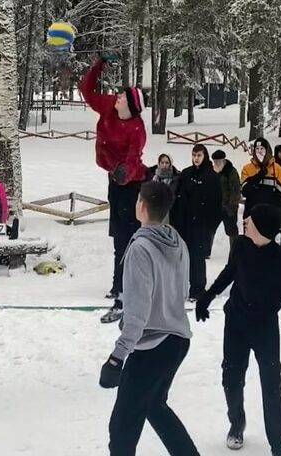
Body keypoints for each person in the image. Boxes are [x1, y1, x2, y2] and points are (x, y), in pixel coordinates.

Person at [99, 180, 200, 456]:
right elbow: (184, 290)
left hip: (152, 346)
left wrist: (117, 357)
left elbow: (137, 313)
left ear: (141, 206)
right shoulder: (177, 240)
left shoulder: (140, 249)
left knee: (122, 428)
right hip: (177, 340)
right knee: (155, 406)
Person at [195, 204, 281, 456]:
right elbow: (229, 272)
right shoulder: (241, 246)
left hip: (265, 328)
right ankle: (236, 422)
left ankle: (278, 443)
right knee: (231, 379)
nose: (245, 221)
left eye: (250, 219)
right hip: (236, 323)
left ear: (262, 227)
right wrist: (207, 296)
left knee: (271, 386)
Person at [79, 54, 148, 323]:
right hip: (115, 183)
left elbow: (134, 159)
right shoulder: (109, 106)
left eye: (121, 96)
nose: (116, 96)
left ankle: (126, 295)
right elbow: (86, 91)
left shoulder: (136, 129)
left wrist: (123, 173)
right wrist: (98, 65)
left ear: (130, 105)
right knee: (119, 240)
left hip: (131, 186)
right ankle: (119, 287)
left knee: (128, 241)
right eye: (117, 94)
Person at [174, 144, 222, 301]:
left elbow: (216, 203)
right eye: (194, 155)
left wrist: (210, 225)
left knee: (197, 257)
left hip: (201, 224)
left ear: (204, 156)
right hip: (185, 222)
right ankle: (183, 286)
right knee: (183, 256)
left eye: (199, 155)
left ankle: (198, 288)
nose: (196, 158)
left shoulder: (211, 176)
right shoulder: (186, 173)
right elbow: (178, 197)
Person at [241, 137, 281, 215]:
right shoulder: (247, 168)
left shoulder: (277, 169)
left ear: (267, 150)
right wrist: (258, 177)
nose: (259, 151)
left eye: (262, 148)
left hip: (270, 215)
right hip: (251, 214)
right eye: (257, 149)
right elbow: (244, 191)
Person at [211, 149, 241, 248]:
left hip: (228, 206)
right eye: (215, 161)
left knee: (231, 230)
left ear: (223, 160)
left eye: (218, 161)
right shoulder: (212, 171)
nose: (216, 163)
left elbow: (235, 191)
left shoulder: (231, 172)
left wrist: (231, 207)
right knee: (210, 228)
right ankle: (206, 250)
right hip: (215, 206)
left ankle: (235, 250)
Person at [147, 153, 181, 224]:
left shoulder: (175, 178)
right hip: (154, 212)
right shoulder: (153, 177)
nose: (164, 165)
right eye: (162, 163)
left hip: (169, 212)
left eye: (167, 163)